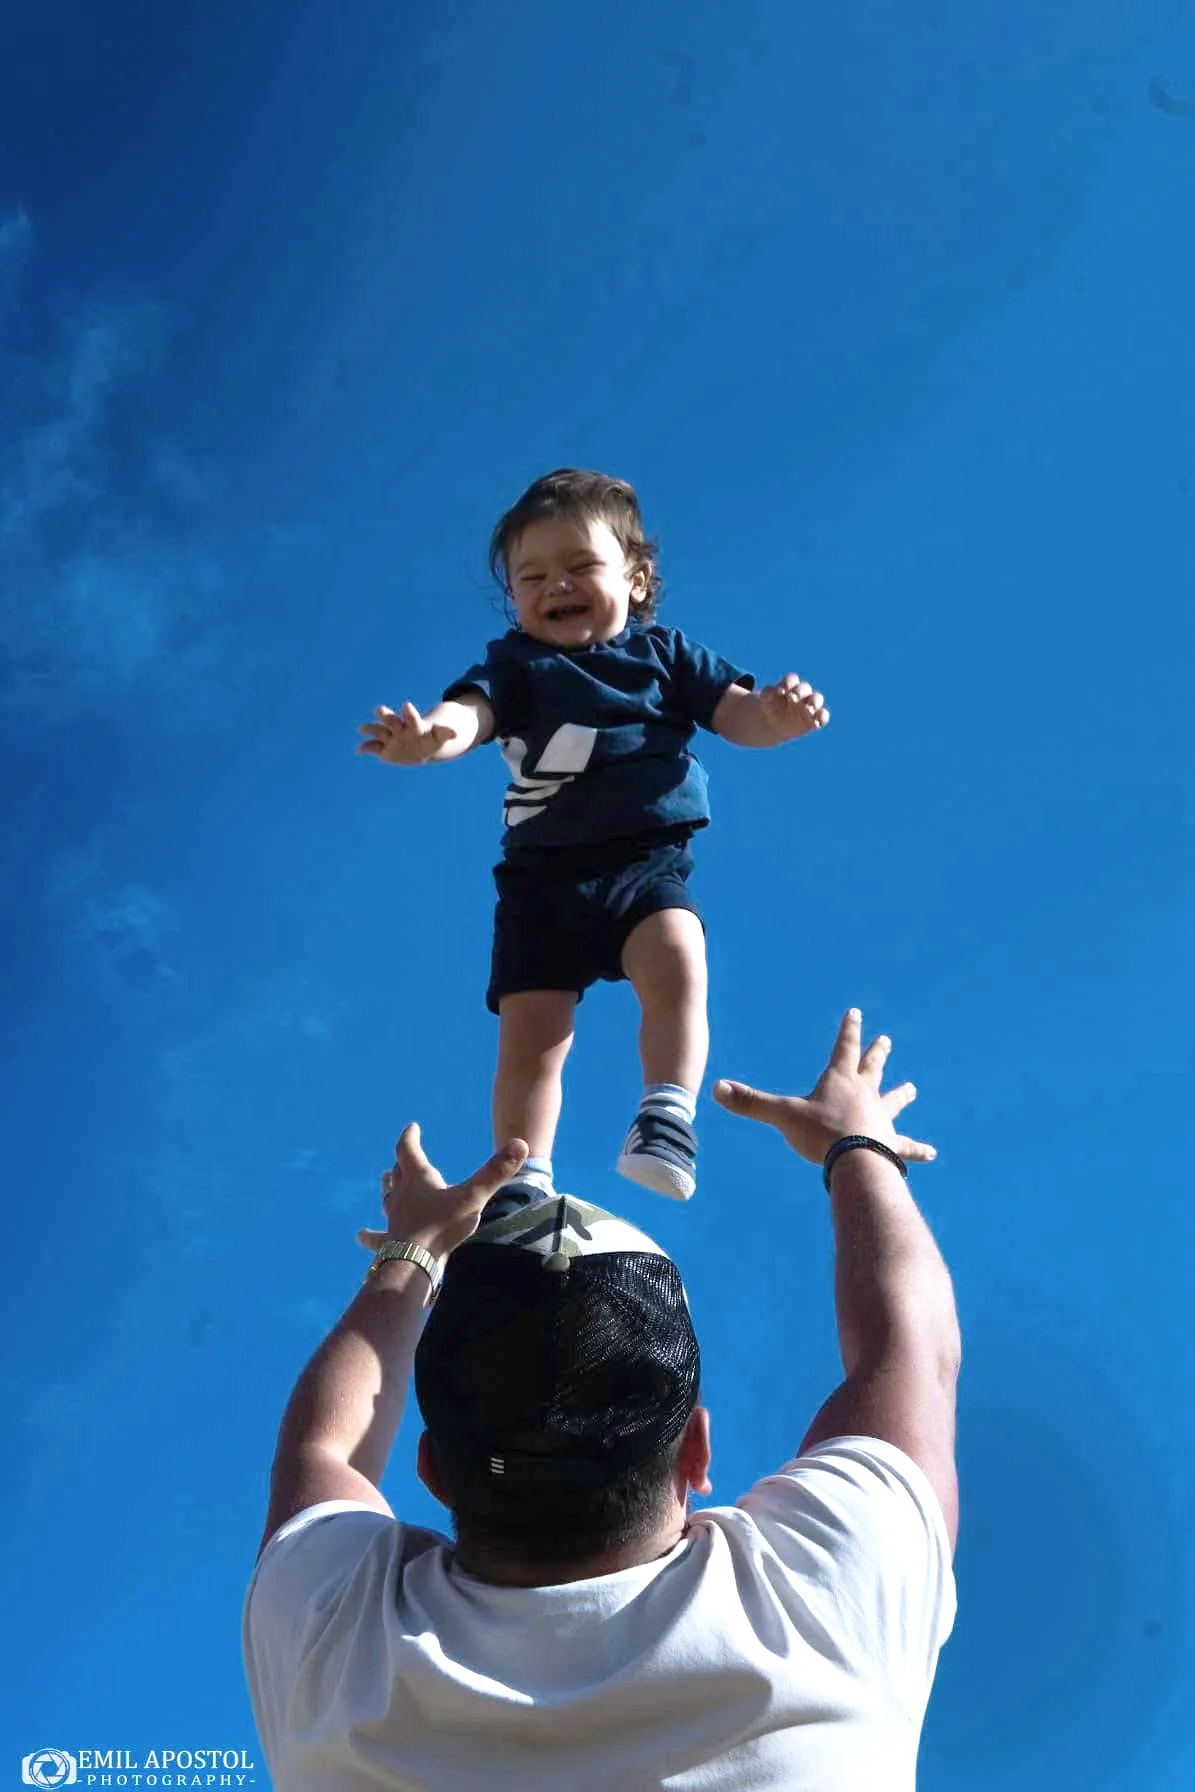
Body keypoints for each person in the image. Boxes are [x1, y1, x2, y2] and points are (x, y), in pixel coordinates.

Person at [244, 1010, 960, 1790]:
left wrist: (410, 1254)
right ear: (697, 1449)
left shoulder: (333, 1650)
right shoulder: (824, 1607)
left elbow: (322, 1452)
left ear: (433, 1470)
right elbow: (909, 1353)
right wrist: (858, 1145)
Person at [357, 468, 829, 1205]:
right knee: (532, 1038)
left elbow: (738, 715)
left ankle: (665, 1115)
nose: (556, 586)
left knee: (678, 961)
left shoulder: (664, 656)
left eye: (580, 566)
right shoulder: (516, 665)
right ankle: (522, 1175)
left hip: (644, 862)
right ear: (512, 597)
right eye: (532, 576)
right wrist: (428, 741)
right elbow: (470, 716)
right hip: (542, 882)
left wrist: (776, 718)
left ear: (636, 579)